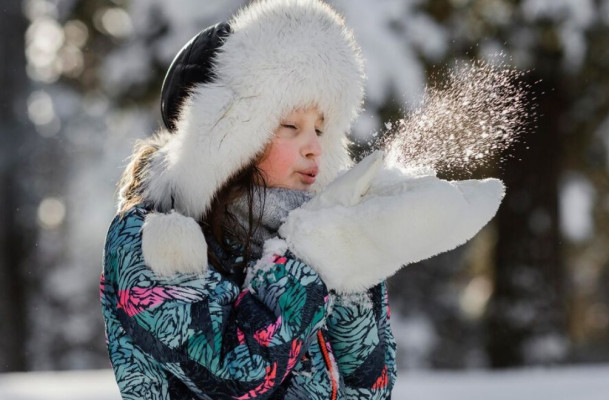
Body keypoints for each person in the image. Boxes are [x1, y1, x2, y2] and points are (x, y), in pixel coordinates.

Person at [100, 1, 505, 399]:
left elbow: (371, 388)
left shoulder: (314, 228)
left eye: (322, 128)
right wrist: (315, 258)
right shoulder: (151, 235)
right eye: (290, 126)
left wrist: (360, 250)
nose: (315, 147)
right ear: (223, 137)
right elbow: (232, 378)